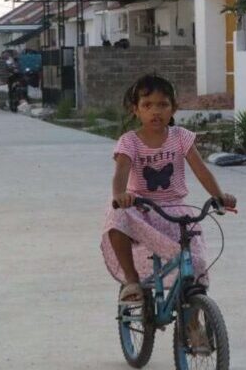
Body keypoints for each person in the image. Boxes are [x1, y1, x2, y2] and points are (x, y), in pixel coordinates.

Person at [101, 74, 237, 305]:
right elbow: (121, 171)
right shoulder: (129, 141)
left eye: (163, 105)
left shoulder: (181, 137)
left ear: (174, 108)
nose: (156, 111)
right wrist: (120, 195)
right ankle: (132, 281)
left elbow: (201, 171)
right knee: (115, 218)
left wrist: (219, 196)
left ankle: (194, 322)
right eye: (147, 105)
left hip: (175, 210)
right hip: (141, 207)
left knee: (195, 264)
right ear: (136, 110)